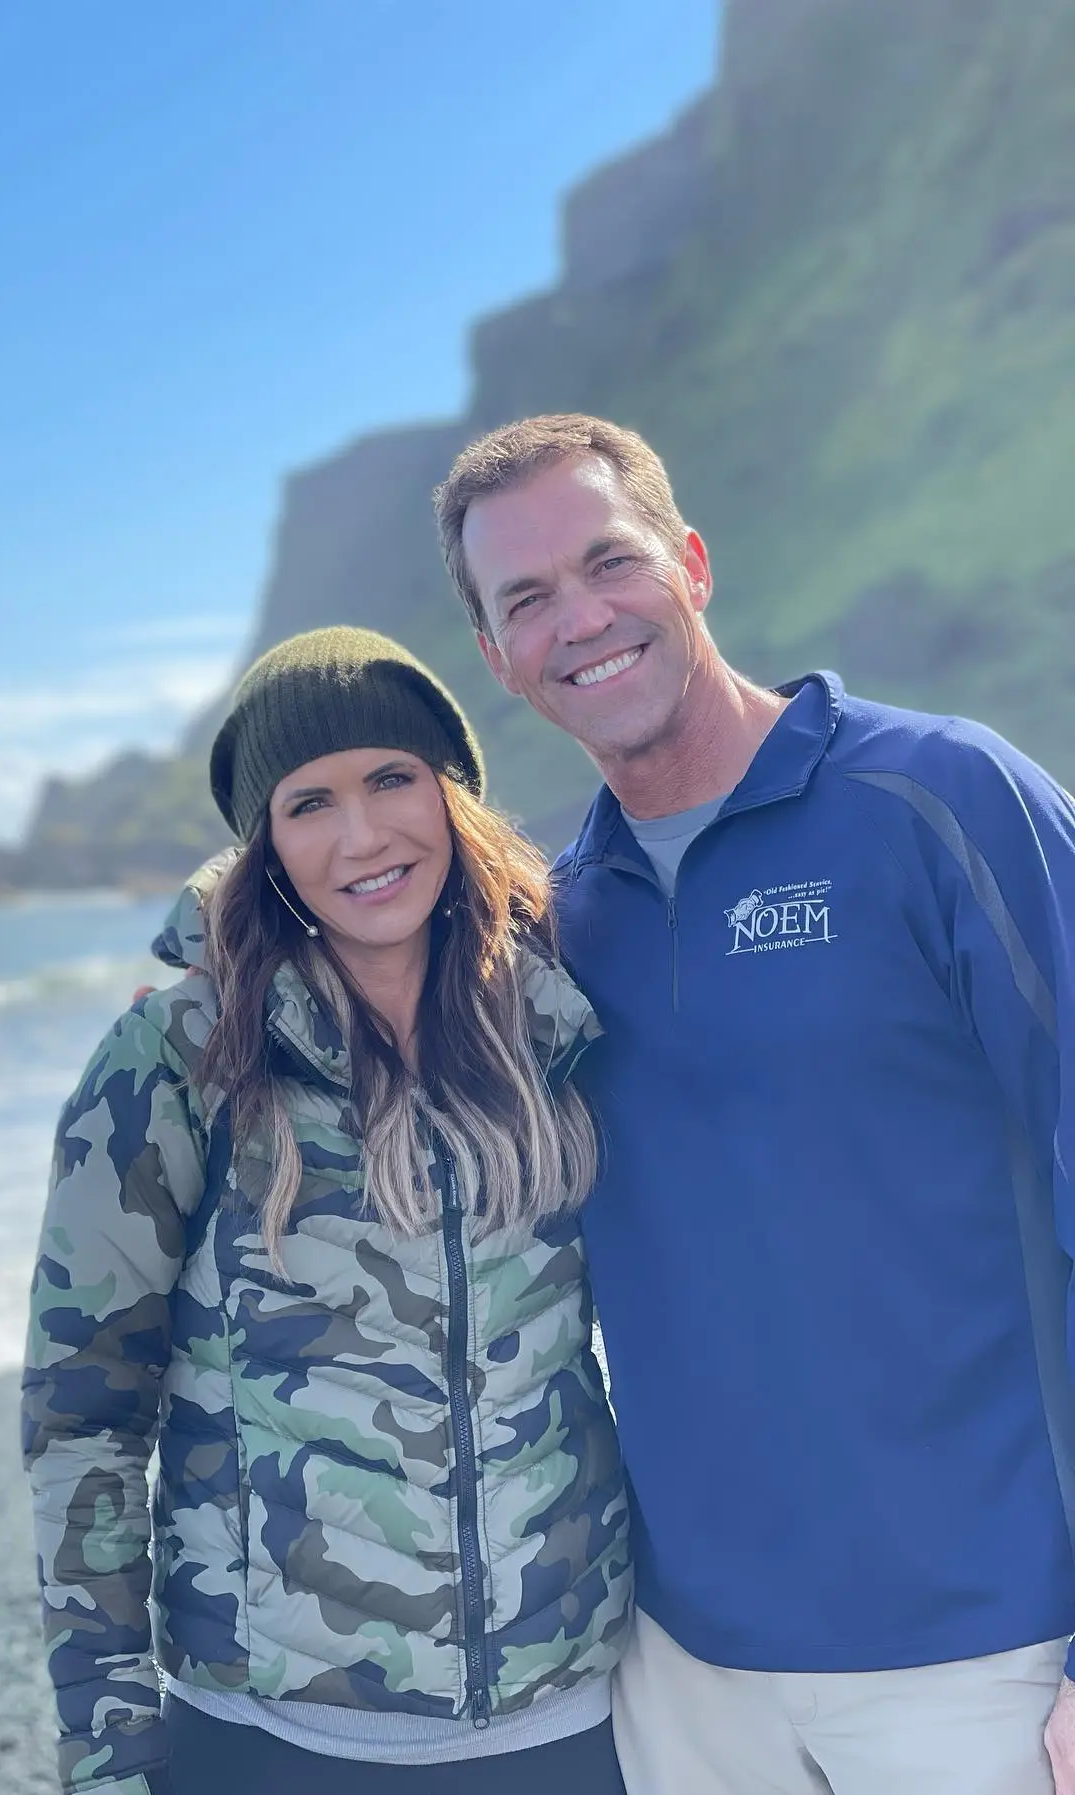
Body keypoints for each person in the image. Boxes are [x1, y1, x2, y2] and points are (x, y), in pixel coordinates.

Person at [432, 413, 1075, 1794]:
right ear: (497, 657)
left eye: (611, 561)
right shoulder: (555, 923)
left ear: (694, 562)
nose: (582, 618)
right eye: (527, 599)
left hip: (980, 1655)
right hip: (684, 1668)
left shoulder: (941, 799)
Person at [22, 626, 632, 1795]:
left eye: (393, 778)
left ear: (453, 794)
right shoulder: (182, 1052)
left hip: (567, 1719)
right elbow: (83, 1413)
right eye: (310, 802)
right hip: (274, 1741)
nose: (362, 836)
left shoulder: (558, 1026)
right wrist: (107, 1740)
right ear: (267, 845)